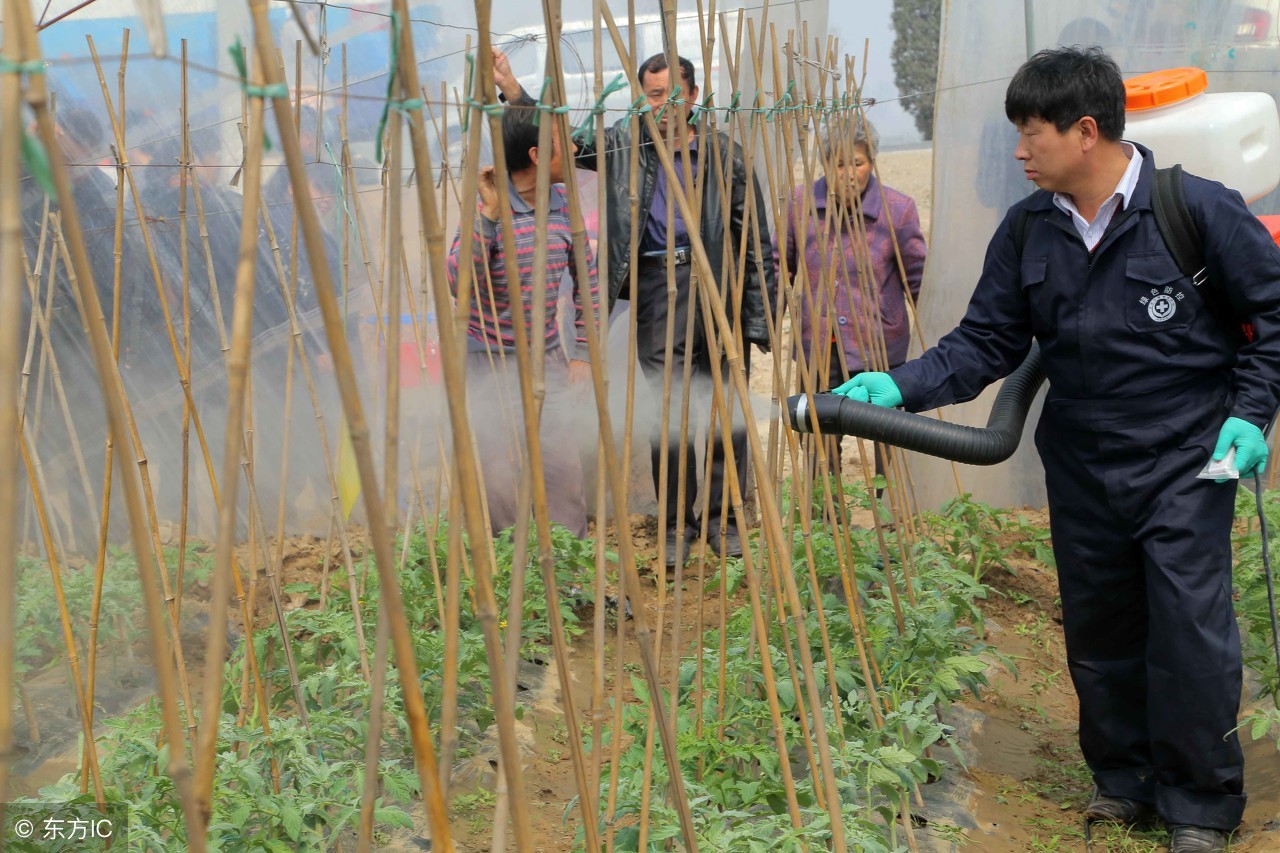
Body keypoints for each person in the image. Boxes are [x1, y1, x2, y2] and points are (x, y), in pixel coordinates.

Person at [835, 47, 1280, 853]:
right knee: (1100, 629)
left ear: (1084, 131)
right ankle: (1125, 783)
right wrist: (900, 387)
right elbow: (984, 342)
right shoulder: (1029, 230)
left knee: (1188, 629)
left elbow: (1273, 318)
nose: (1017, 151)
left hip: (1186, 458)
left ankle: (1200, 808)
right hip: (1081, 462)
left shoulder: (1194, 211)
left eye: (1030, 133)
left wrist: (1251, 415)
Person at [493, 48, 776, 565]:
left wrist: (758, 319)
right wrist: (515, 93)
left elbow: (755, 241)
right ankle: (675, 525)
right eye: (650, 96)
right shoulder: (625, 145)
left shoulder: (725, 155)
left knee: (720, 409)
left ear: (693, 96)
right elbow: (565, 145)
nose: (661, 107)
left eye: (671, 95)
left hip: (715, 287)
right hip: (655, 287)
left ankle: (724, 520)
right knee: (665, 413)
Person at [445, 99, 600, 539]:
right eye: (562, 143)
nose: (573, 148)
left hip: (547, 358)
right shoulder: (487, 210)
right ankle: (513, 587)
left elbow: (587, 283)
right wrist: (490, 219)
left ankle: (568, 583)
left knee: (564, 476)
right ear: (536, 155)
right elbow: (459, 283)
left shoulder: (563, 204)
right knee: (499, 486)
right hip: (488, 366)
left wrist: (584, 353)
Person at [778, 114, 926, 493]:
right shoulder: (800, 205)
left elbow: (919, 280)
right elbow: (780, 269)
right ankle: (826, 515)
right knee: (820, 437)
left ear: (871, 163)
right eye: (837, 163)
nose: (846, 173)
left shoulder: (897, 211)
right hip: (821, 347)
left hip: (880, 348)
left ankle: (891, 514)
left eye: (856, 163)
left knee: (889, 437)